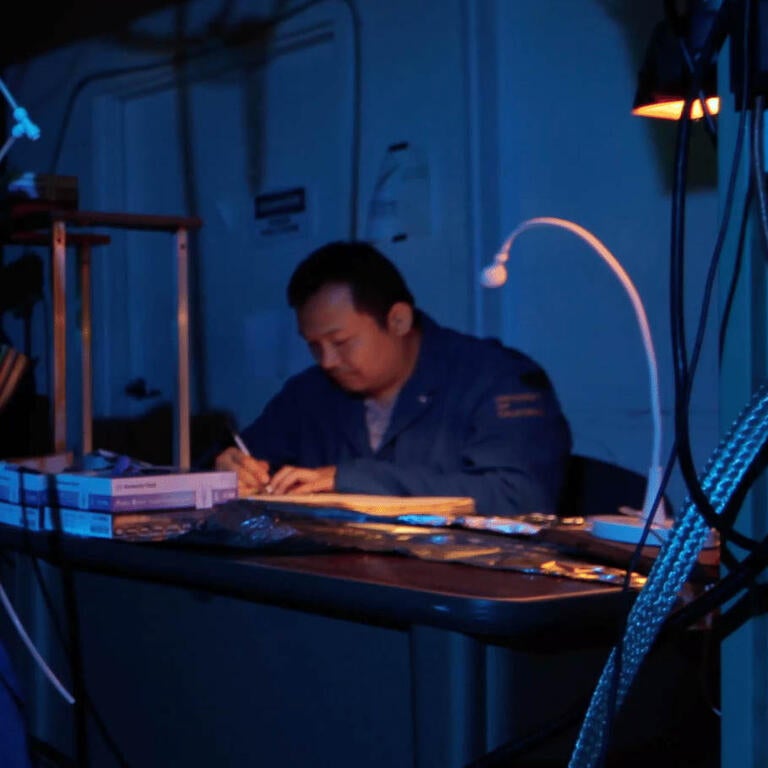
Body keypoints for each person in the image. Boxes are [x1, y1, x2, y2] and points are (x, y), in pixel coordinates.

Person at [214, 240, 572, 517]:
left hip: (459, 595)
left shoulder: (495, 379)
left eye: (340, 342)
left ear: (398, 320)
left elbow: (520, 495)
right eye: (314, 346)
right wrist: (227, 468)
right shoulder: (311, 394)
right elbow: (244, 455)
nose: (327, 361)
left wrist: (349, 482)